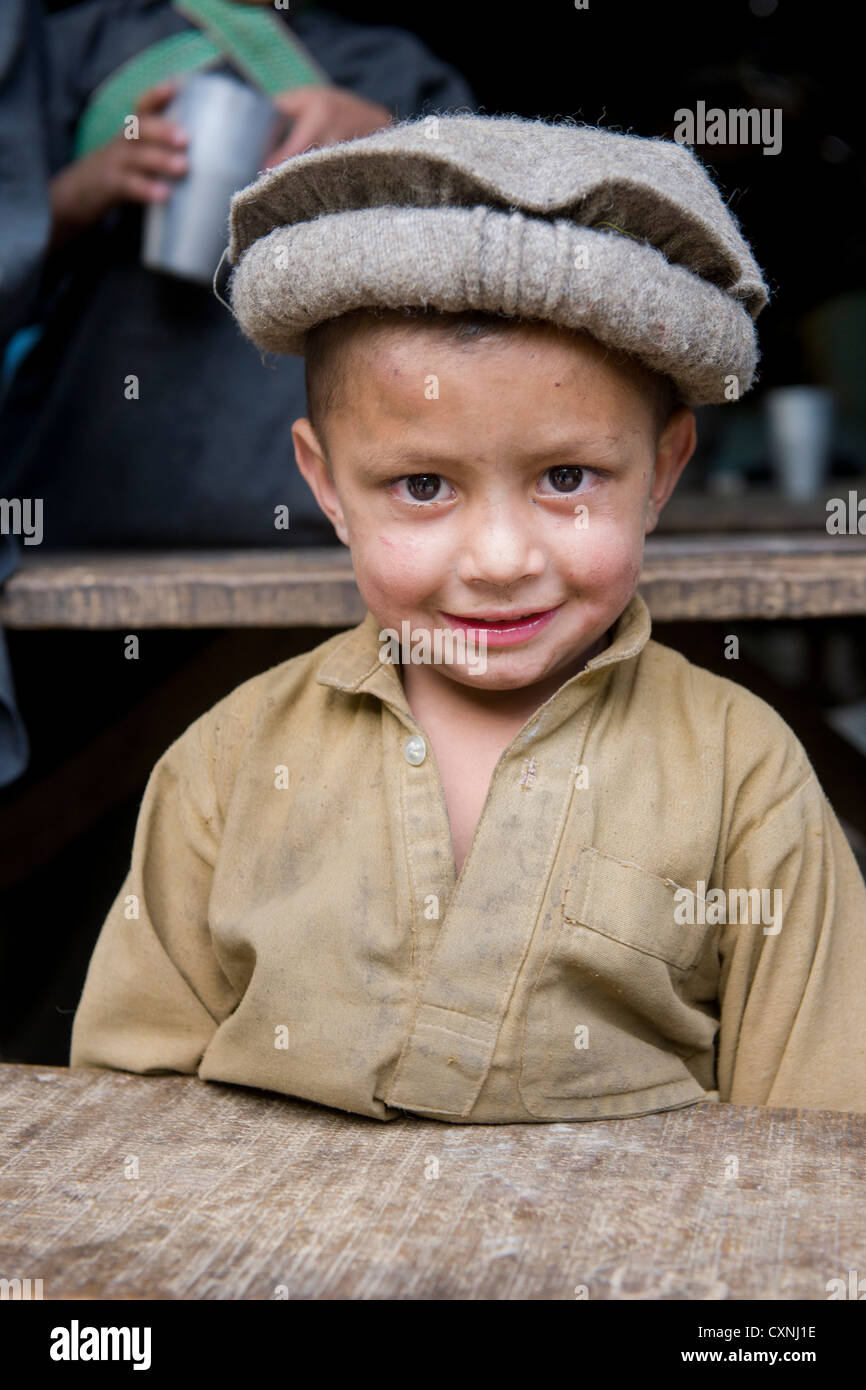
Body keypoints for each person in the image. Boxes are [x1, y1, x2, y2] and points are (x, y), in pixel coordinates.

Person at [70, 114, 866, 1120]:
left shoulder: (740, 771)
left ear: (664, 468)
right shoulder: (226, 764)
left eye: (565, 477)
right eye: (419, 486)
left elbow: (817, 1148)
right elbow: (123, 1119)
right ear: (323, 481)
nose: (498, 561)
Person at [0, 0, 474, 546]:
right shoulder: (76, 47)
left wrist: (396, 145)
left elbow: (484, 274)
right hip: (77, 498)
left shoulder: (394, 67)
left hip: (310, 517)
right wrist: (90, 185)